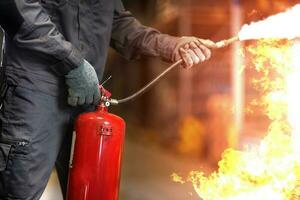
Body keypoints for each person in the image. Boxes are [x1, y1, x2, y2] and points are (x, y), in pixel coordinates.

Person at [0, 0, 216, 199]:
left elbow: (117, 22)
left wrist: (170, 45)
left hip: (86, 96)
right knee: (18, 193)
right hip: (35, 91)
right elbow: (17, 7)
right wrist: (70, 62)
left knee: (92, 192)